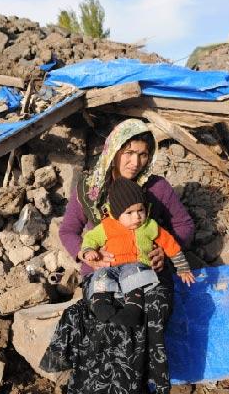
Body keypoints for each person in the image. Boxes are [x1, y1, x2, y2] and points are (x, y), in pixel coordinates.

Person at [40, 118, 195, 394]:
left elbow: (183, 226)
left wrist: (165, 253)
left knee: (145, 316)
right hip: (103, 274)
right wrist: (87, 254)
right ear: (114, 150)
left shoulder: (157, 188)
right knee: (105, 321)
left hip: (147, 273)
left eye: (143, 154)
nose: (135, 162)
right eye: (129, 153)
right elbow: (69, 231)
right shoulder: (89, 187)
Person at [82, 177, 195, 326]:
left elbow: (170, 244)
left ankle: (132, 310)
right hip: (111, 267)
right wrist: (88, 251)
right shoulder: (107, 226)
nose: (137, 217)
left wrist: (182, 267)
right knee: (100, 276)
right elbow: (91, 238)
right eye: (129, 213)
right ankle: (101, 305)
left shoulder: (149, 226)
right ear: (116, 214)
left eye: (140, 210)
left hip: (136, 266)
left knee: (134, 276)